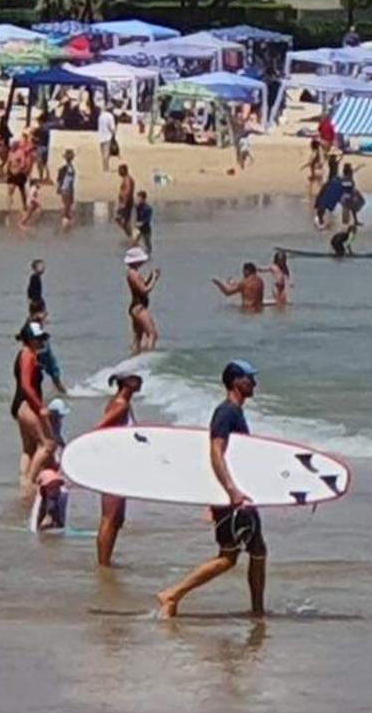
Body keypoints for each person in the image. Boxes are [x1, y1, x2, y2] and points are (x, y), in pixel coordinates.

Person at [157, 361, 267, 618]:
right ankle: (173, 593)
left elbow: (236, 457)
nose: (254, 383)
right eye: (249, 378)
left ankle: (258, 610)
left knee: (256, 552)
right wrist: (231, 492)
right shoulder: (226, 412)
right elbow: (216, 452)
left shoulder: (234, 412)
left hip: (234, 496)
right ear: (236, 381)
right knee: (230, 557)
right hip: (234, 498)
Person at [93, 371, 141, 568]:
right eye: (135, 379)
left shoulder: (124, 404)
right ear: (126, 384)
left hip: (120, 465)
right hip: (113, 466)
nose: (139, 381)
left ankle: (106, 560)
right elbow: (99, 427)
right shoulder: (121, 405)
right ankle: (103, 564)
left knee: (117, 518)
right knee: (110, 517)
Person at [11, 322, 51, 489]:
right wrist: (40, 406)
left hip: (20, 405)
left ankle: (23, 482)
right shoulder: (28, 355)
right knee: (47, 445)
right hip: (27, 405)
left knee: (29, 448)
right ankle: (29, 482)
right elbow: (27, 385)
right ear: (30, 339)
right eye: (38, 338)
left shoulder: (26, 354)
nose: (42, 341)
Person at [125, 246, 159, 351]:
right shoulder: (133, 274)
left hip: (136, 308)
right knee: (152, 334)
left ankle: (135, 357)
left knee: (138, 336)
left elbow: (141, 286)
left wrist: (151, 278)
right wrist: (154, 281)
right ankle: (148, 356)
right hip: (139, 309)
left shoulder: (133, 273)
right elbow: (144, 291)